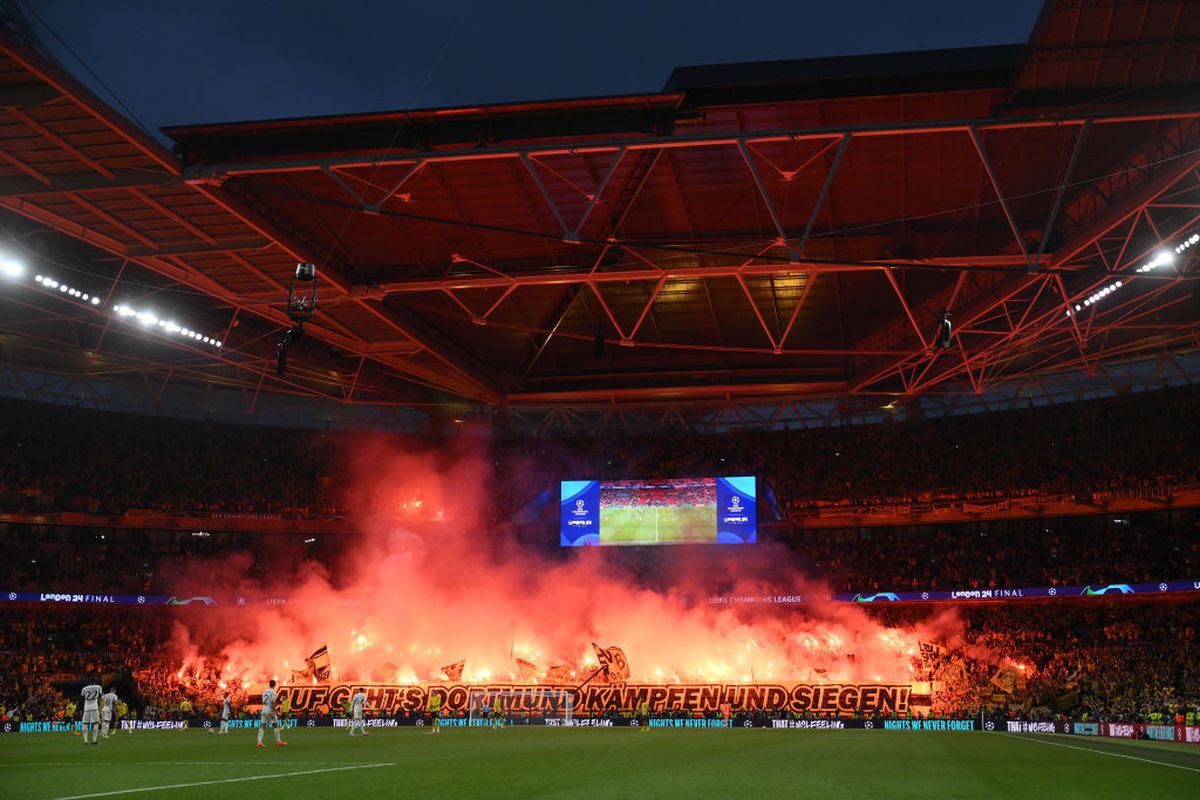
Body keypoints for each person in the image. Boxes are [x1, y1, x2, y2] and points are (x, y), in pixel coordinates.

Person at [256, 679, 287, 748]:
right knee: (275, 725)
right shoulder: (273, 692)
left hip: (264, 710)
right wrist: (274, 710)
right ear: (274, 685)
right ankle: (278, 741)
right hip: (270, 710)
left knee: (263, 725)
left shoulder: (265, 691)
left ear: (269, 684)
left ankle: (259, 742)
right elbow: (273, 701)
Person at [80, 680, 102, 746]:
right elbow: (100, 695)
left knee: (85, 724)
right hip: (94, 707)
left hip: (86, 708)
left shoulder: (85, 688)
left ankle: (85, 740)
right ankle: (94, 740)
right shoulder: (98, 687)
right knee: (95, 724)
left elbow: (82, 695)